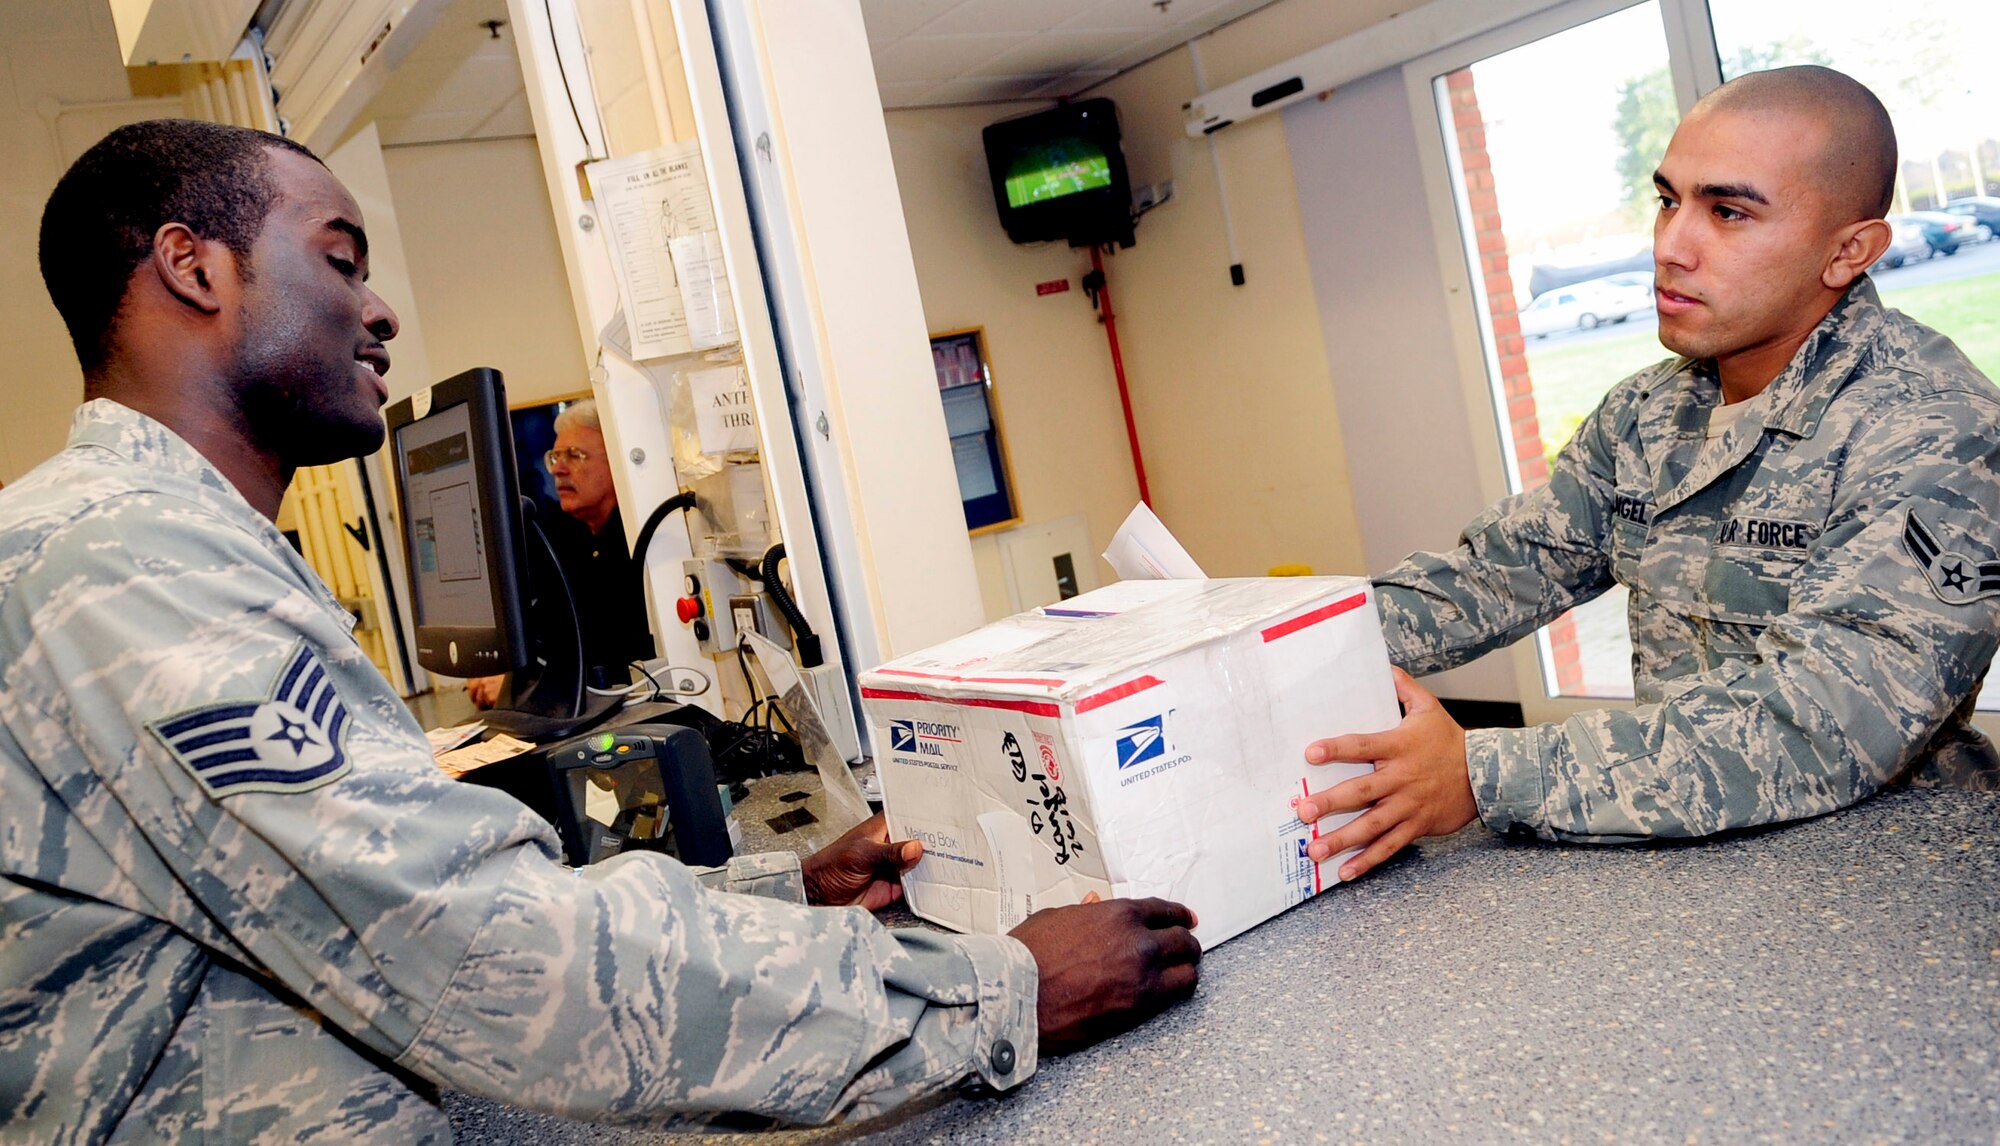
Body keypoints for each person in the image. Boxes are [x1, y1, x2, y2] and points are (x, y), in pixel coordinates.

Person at [0, 119, 1200, 1142]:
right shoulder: (125, 562)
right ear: (192, 267)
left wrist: (780, 892)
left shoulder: (142, 540)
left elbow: (394, 905)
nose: (378, 310)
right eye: (340, 259)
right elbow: (482, 955)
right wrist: (1000, 991)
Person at [1297, 65, 2000, 877]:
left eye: (1728, 212)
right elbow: (1499, 573)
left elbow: (1828, 720)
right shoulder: (1647, 413)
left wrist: (1483, 773)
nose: (1669, 246)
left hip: (1889, 877)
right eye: (1669, 201)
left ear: (1849, 251)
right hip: (1688, 863)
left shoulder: (1934, 426)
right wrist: (1274, 649)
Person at [465, 397, 649, 709]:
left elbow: (614, 662)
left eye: (575, 455)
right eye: (555, 457)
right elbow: (547, 635)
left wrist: (523, 684)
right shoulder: (563, 539)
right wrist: (507, 670)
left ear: (620, 460)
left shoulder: (642, 547)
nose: (558, 470)